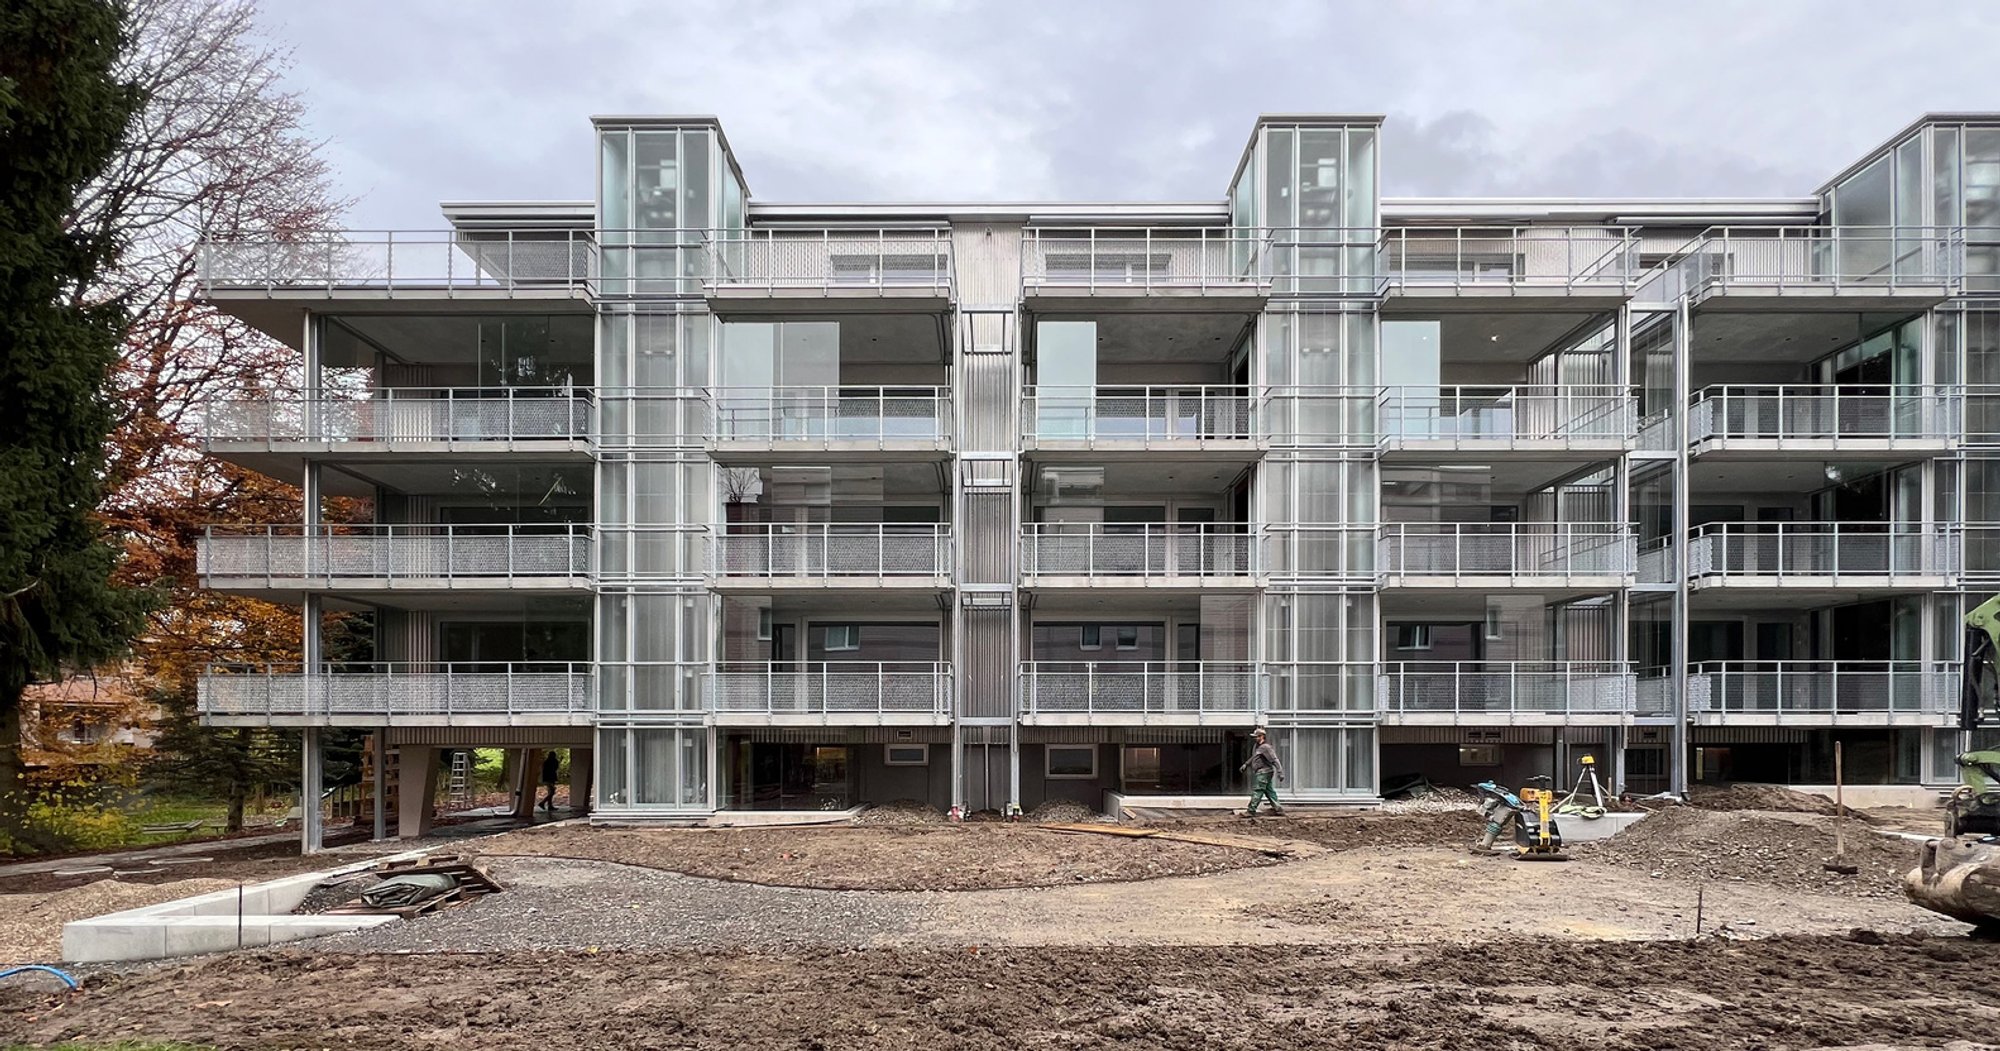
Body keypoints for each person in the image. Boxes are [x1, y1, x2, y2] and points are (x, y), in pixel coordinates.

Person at [1240, 728, 1285, 818]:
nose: (1255, 738)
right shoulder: (1258, 746)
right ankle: (1278, 809)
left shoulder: (1266, 747)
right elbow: (1254, 757)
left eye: (1256, 737)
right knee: (1269, 791)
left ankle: (1251, 810)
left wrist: (1280, 772)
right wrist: (1246, 764)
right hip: (1262, 772)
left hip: (1264, 772)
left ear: (1262, 736)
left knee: (1258, 790)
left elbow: (1274, 760)